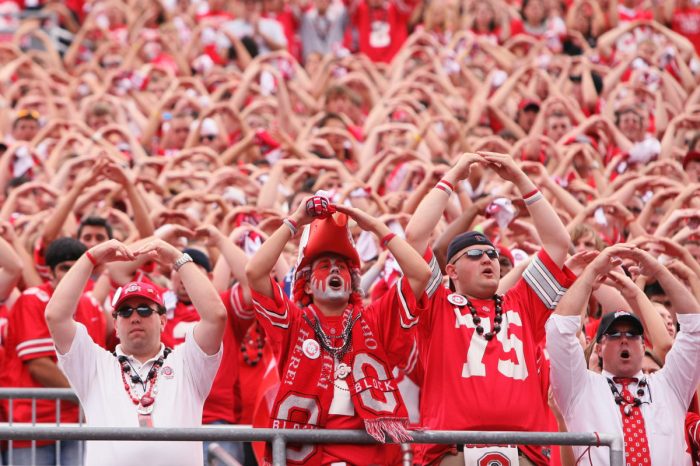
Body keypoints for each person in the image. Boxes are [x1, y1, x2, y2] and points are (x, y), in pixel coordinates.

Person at [404, 152, 575, 465]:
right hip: (451, 452)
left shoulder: (522, 302)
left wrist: (522, 179)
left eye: (492, 254)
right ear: (451, 271)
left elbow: (558, 244)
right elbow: (414, 237)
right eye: (475, 255)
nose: (487, 259)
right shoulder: (436, 305)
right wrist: (454, 175)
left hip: (524, 453)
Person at [245, 195, 431, 465]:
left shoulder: (374, 319)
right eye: (324, 266)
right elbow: (254, 272)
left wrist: (377, 227)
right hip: (307, 457)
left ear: (353, 283)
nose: (335, 271)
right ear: (307, 286)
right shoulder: (294, 323)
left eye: (342, 268)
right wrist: (295, 221)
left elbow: (420, 275)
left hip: (370, 455)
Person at [44, 238, 226, 466]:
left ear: (162, 320)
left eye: (144, 309)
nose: (135, 317)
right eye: (125, 311)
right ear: (116, 324)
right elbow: (56, 316)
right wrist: (91, 257)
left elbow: (216, 316)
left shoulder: (187, 362)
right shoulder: (94, 365)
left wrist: (177, 258)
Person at [546, 244, 700, 465]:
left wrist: (658, 270)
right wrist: (591, 272)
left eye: (633, 333)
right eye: (615, 334)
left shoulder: (669, 385)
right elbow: (559, 330)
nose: (624, 339)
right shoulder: (580, 387)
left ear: (643, 343)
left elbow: (695, 328)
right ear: (599, 347)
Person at [1, 238, 106, 466]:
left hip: (78, 423)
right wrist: (85, 399)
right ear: (49, 272)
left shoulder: (91, 305)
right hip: (32, 423)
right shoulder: (33, 299)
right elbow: (38, 364)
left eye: (77, 267)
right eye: (64, 268)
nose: (71, 273)